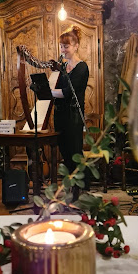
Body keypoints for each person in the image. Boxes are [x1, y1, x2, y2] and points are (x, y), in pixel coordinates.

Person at [51, 25, 89, 179]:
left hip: (73, 116)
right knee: (65, 153)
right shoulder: (63, 67)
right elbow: (57, 88)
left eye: (66, 46)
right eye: (61, 46)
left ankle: (82, 188)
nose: (63, 50)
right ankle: (72, 187)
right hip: (60, 115)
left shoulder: (81, 68)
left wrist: (48, 92)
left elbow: (67, 93)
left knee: (75, 153)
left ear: (76, 46)